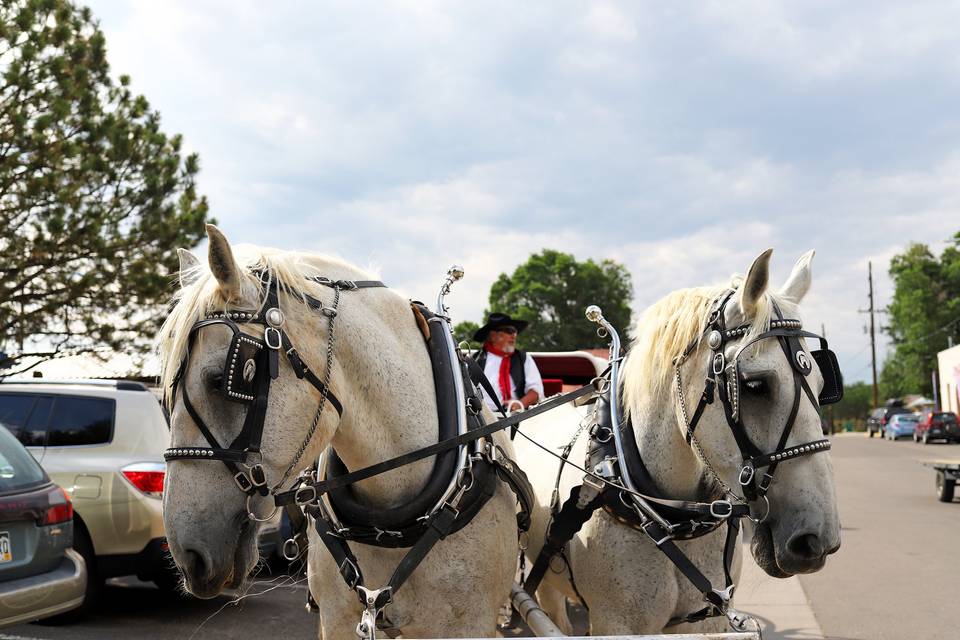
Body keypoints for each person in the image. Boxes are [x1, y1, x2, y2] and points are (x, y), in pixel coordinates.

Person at [472, 312, 544, 413]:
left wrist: (519, 405)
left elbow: (536, 391)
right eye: (509, 331)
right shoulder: (474, 361)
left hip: (518, 417)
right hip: (483, 419)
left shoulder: (523, 359)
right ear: (492, 336)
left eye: (515, 331)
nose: (513, 335)